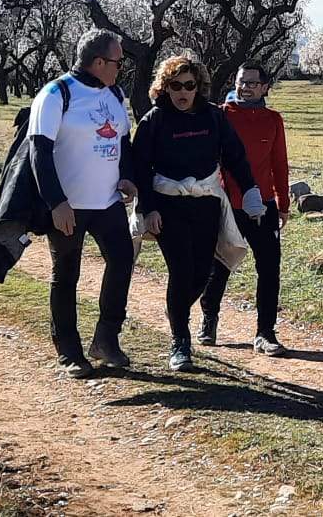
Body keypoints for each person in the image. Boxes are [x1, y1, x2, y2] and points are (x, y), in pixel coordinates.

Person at [130, 53, 264, 372]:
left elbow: (235, 156)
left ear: (198, 87)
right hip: (168, 205)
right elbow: (139, 167)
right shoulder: (154, 120)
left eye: (189, 85)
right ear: (165, 87)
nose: (182, 91)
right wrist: (147, 209)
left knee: (202, 273)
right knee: (180, 270)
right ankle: (180, 342)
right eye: (175, 85)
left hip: (206, 203)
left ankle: (175, 311)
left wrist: (250, 190)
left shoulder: (214, 117)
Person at [30, 29, 141, 377]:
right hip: (68, 206)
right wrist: (56, 202)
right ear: (98, 62)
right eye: (117, 62)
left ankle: (106, 338)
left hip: (107, 203)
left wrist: (127, 175)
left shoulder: (115, 94)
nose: (121, 68)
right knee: (66, 275)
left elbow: (123, 140)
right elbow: (39, 152)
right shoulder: (56, 93)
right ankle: (69, 352)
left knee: (122, 260)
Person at [200, 62, 293, 356]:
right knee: (222, 263)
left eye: (253, 83)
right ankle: (209, 317)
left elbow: (279, 164)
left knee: (269, 267)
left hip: (263, 205)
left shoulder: (273, 119)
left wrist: (283, 204)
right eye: (242, 82)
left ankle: (265, 332)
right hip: (227, 203)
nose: (247, 87)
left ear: (266, 87)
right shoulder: (222, 115)